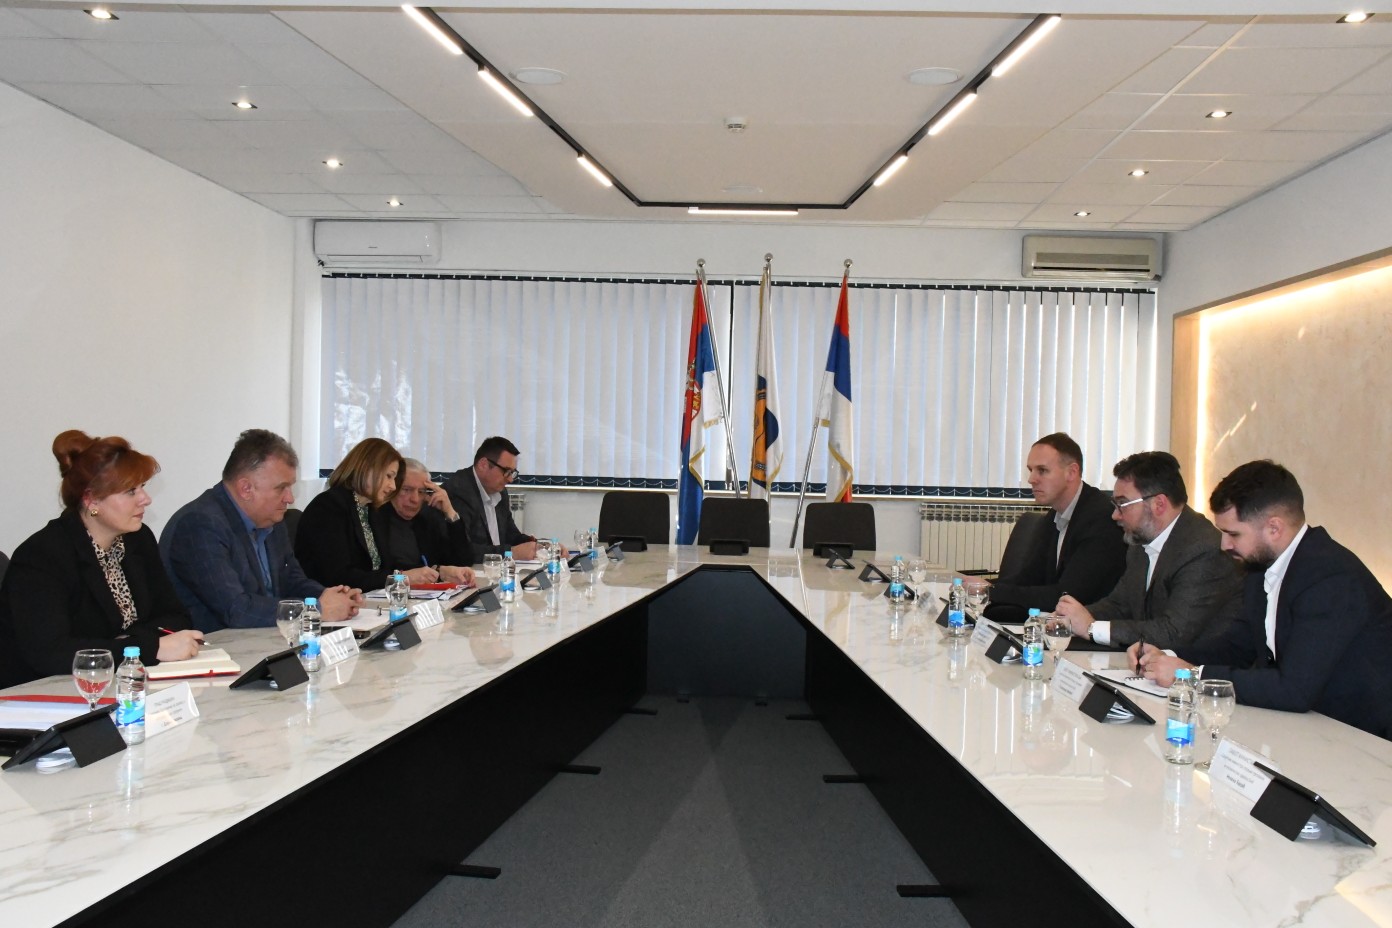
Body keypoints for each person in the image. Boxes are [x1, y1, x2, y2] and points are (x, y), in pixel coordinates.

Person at [1134, 461, 1392, 739]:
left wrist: (1193, 675)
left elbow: (1294, 690)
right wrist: (1165, 657)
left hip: (1365, 738)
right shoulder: (1261, 567)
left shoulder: (1331, 578)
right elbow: (1237, 647)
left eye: (1233, 534)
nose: (1224, 545)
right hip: (1314, 729)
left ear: (1274, 528)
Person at [0, 430, 203, 687]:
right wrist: (147, 647)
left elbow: (175, 617)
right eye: (131, 491)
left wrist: (128, 642)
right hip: (39, 693)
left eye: (143, 487)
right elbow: (51, 653)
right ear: (91, 499)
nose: (146, 499)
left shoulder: (138, 539)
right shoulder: (42, 556)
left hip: (119, 683)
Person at [161, 429, 361, 633]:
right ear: (246, 489)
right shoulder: (200, 524)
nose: (290, 498)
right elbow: (236, 610)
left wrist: (331, 598)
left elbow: (292, 581)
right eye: (281, 488)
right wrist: (316, 609)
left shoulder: (270, 519)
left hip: (265, 637)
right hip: (216, 645)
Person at [1053, 451, 1241, 649]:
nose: (1115, 515)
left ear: (1159, 504)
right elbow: (1119, 605)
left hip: (1199, 665)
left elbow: (1173, 632)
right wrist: (1067, 619)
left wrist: (1091, 628)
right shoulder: (1140, 543)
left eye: (1122, 504)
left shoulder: (1202, 550)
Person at [985, 433, 1126, 622]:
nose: (1031, 479)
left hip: (1089, 626)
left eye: (1042, 470)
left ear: (1072, 472)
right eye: (1031, 470)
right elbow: (1027, 578)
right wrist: (983, 587)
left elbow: (1067, 595)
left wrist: (991, 591)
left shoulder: (1101, 519)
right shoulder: (1055, 515)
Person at [296, 438, 437, 589]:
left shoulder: (370, 509)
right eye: (389, 476)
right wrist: (401, 577)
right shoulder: (329, 507)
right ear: (366, 469)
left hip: (368, 598)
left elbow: (385, 567)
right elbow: (339, 576)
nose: (393, 486)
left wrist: (434, 572)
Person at [442, 436, 542, 561]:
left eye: (512, 473)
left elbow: (511, 536)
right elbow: (464, 551)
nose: (510, 479)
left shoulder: (499, 491)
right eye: (506, 471)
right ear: (483, 464)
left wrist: (542, 546)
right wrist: (511, 553)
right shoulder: (459, 491)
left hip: (494, 569)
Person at [383, 459, 477, 585]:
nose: (415, 499)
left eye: (421, 492)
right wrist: (437, 571)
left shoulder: (425, 519)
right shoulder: (377, 519)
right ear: (392, 487)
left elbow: (464, 560)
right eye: (406, 489)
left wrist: (449, 511)